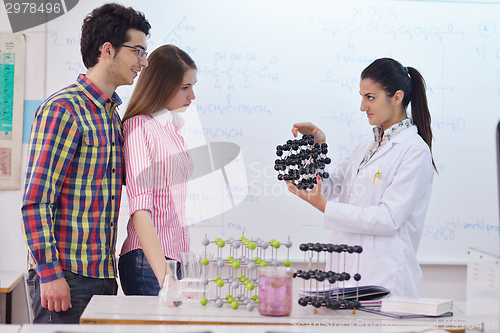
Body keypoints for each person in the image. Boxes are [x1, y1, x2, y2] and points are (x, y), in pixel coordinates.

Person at [21, 3, 150, 323]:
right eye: (138, 51)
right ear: (108, 50)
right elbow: (36, 201)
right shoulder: (63, 108)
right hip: (66, 277)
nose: (143, 62)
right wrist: (50, 275)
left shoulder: (110, 114)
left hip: (103, 276)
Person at [289, 58, 436, 297]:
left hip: (383, 281)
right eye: (362, 96)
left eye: (370, 97)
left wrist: (326, 208)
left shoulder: (414, 151)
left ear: (397, 97)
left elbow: (388, 219)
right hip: (347, 274)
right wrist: (317, 148)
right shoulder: (367, 145)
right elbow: (329, 187)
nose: (362, 106)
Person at [118, 44, 196, 295]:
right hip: (149, 262)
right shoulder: (139, 127)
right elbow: (140, 211)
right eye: (185, 87)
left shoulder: (171, 131)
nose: (192, 96)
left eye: (193, 86)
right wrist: (166, 278)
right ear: (162, 85)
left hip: (172, 261)